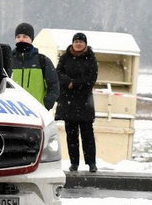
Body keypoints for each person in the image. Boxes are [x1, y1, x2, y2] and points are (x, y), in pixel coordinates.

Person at [55, 32, 98, 172]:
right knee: (71, 135)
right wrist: (68, 82)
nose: (78, 44)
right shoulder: (65, 57)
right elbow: (58, 73)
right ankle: (74, 163)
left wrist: (75, 83)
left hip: (84, 101)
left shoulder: (91, 58)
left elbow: (91, 78)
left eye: (81, 41)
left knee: (87, 135)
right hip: (68, 102)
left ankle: (91, 163)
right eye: (76, 41)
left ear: (85, 44)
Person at [11, 22, 59, 110]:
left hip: (36, 112)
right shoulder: (9, 61)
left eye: (25, 36)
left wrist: (45, 105)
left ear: (31, 39)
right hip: (12, 111)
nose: (21, 39)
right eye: (18, 37)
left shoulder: (43, 61)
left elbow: (54, 85)